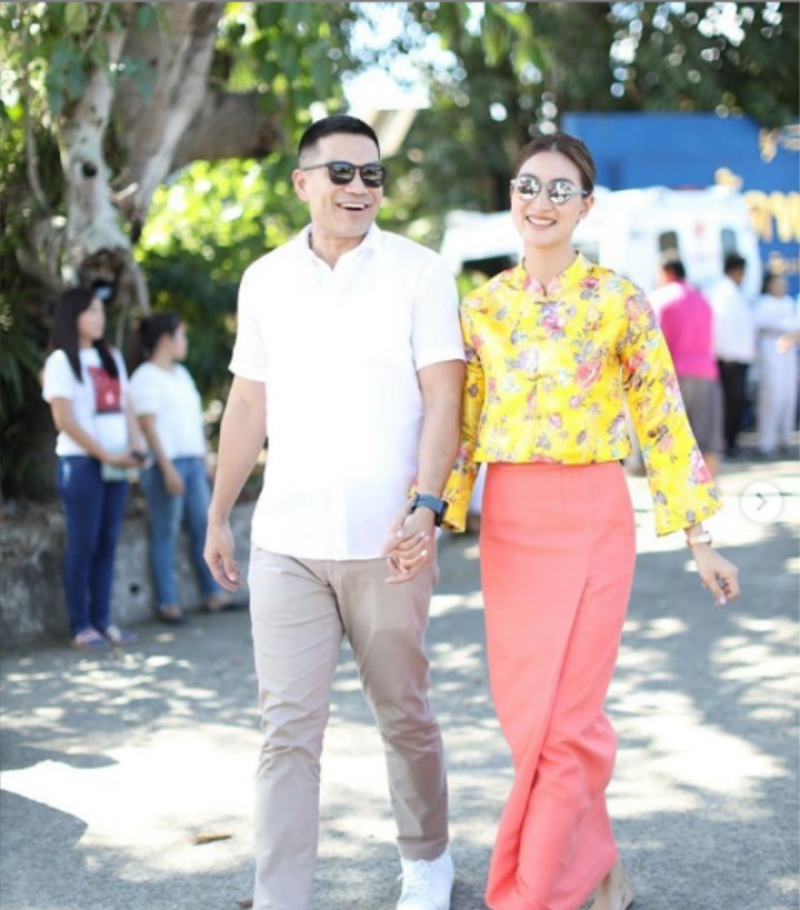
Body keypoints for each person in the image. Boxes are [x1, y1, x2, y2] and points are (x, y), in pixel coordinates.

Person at [390, 132, 740, 910]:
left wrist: (701, 540)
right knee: (530, 720)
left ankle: (533, 891)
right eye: (527, 185)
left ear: (587, 205)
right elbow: (460, 427)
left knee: (571, 718)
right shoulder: (480, 309)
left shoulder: (620, 300)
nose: (539, 201)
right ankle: (599, 865)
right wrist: (426, 514)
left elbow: (662, 419)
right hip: (512, 523)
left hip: (593, 516)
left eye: (558, 189)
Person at [204, 115, 465, 910]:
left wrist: (427, 505)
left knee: (403, 713)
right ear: (302, 183)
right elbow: (248, 405)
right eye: (342, 173)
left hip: (389, 540)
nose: (360, 188)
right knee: (287, 730)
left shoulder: (420, 272)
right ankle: (281, 894)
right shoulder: (265, 280)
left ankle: (427, 859)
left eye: (372, 175)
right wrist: (219, 513)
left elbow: (444, 397)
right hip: (287, 540)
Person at [42, 287, 142, 651]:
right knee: (82, 544)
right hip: (81, 464)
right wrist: (106, 455)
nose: (101, 318)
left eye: (101, 311)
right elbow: (64, 421)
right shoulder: (59, 362)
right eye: (92, 311)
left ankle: (103, 620)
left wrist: (135, 449)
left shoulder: (111, 356)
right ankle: (81, 625)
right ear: (74, 316)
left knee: (107, 542)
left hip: (117, 464)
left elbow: (127, 408)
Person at [129, 314, 239, 624]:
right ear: (166, 339)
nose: (185, 343)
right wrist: (166, 469)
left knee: (205, 528)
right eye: (181, 336)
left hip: (193, 462)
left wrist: (206, 462)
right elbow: (148, 427)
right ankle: (167, 603)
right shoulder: (145, 377)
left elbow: (193, 423)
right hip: (166, 465)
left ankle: (214, 593)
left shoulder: (182, 375)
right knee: (165, 532)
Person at [650, 256, 723, 476]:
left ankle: (678, 487)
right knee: (707, 438)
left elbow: (654, 342)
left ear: (667, 272)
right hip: (707, 372)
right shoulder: (702, 298)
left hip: (674, 374)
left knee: (672, 437)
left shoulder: (661, 298)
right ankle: (709, 485)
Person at [709, 252, 756, 458]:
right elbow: (719, 325)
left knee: (736, 402)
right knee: (729, 402)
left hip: (740, 356)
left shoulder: (734, 292)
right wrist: (725, 352)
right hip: (729, 358)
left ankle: (731, 443)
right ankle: (724, 444)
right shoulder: (723, 292)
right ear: (735, 271)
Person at [754, 272, 800, 457]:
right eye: (777, 283)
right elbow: (761, 324)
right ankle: (766, 442)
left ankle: (785, 439)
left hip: (789, 349)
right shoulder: (763, 303)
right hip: (770, 346)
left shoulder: (789, 302)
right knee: (772, 395)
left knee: (789, 395)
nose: (781, 287)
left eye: (783, 284)